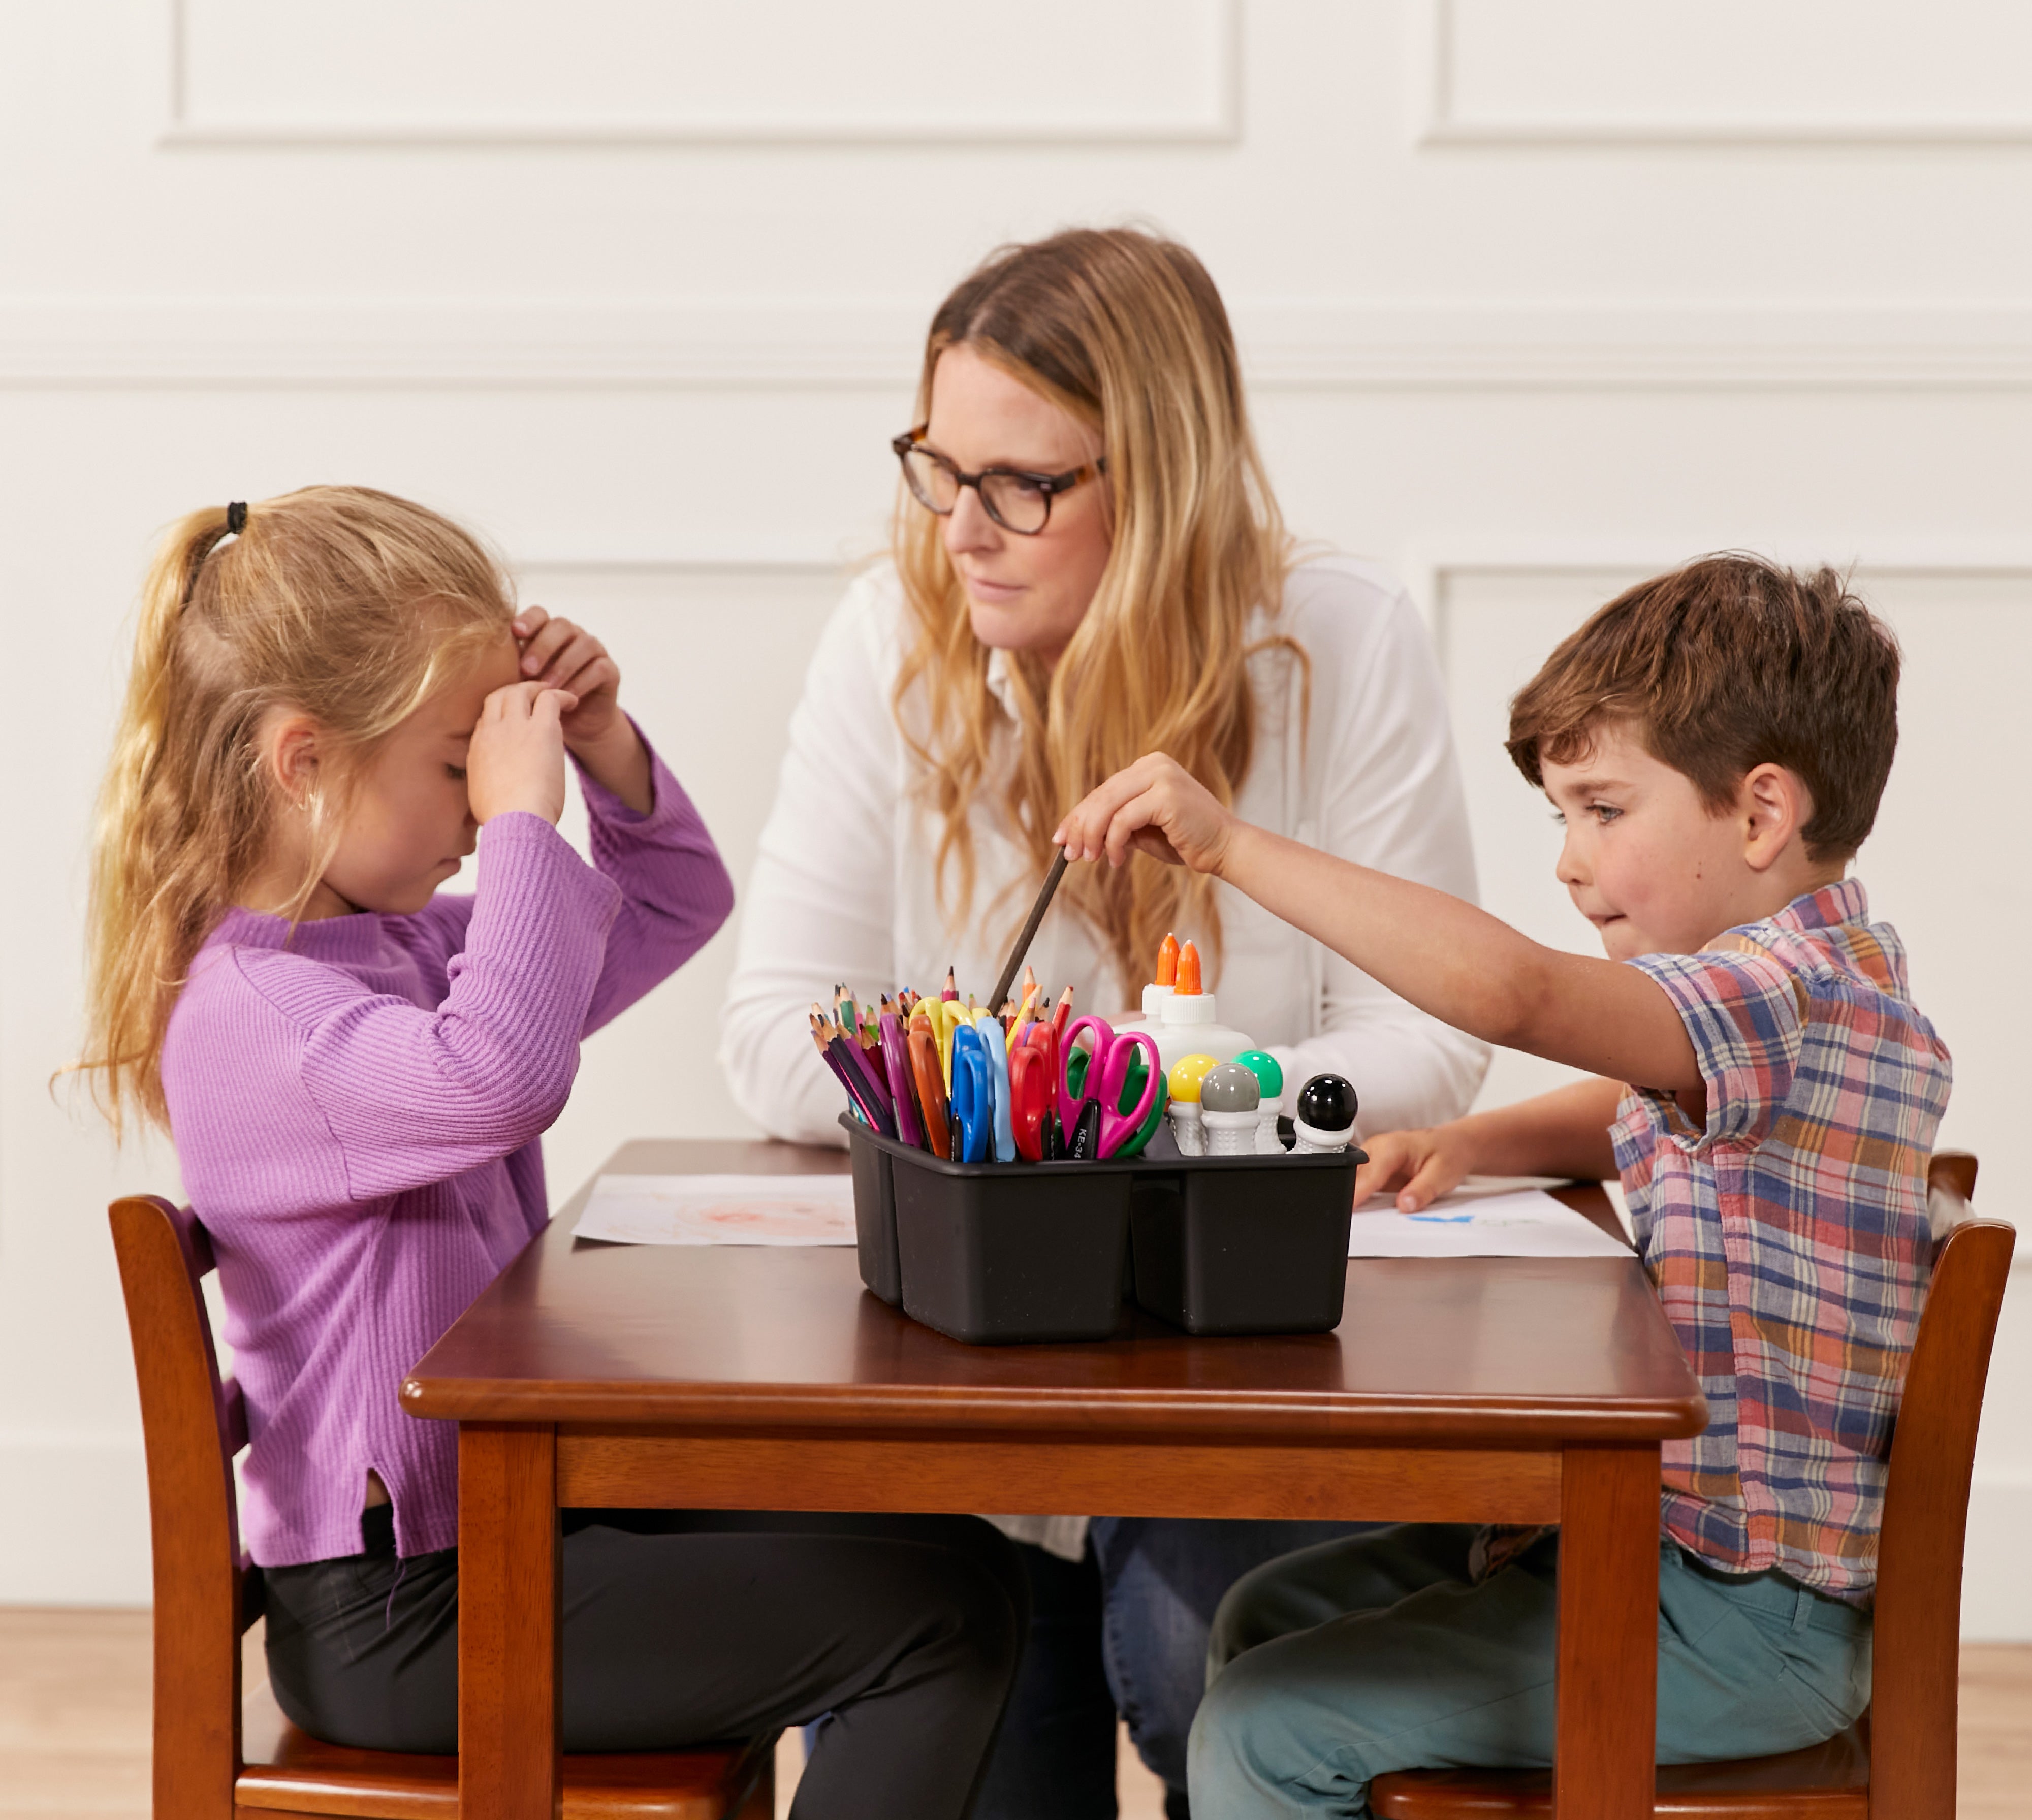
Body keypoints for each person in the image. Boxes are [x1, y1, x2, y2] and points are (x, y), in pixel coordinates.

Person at [78, 487, 1026, 1820]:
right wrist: (528, 824)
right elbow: (506, 1076)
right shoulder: (265, 1021)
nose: (482, 810)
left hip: (506, 1522)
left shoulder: (395, 950)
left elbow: (673, 902)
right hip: (402, 1616)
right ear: (304, 760)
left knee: (964, 1569)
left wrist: (600, 750)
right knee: (933, 1624)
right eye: (461, 764)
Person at [720, 229, 1489, 1816]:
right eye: (939, 468)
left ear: (1161, 478)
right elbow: (769, 1033)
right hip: (958, 1391)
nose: (960, 534)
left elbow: (1427, 1044)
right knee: (958, 1715)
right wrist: (1135, 1109)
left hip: (1235, 1372)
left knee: (1209, 1654)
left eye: (1021, 485)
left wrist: (1078, 1111)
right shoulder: (891, 639)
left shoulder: (1341, 637)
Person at [1052, 554, 1946, 1818]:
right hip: (1683, 1559)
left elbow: (1516, 992)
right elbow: (1628, 1107)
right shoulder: (1821, 979)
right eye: (1561, 819)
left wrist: (1233, 843)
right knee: (1265, 1609)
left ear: (1757, 816)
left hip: (1744, 1617)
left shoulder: (1776, 993)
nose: (1572, 865)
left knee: (1259, 1730)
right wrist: (1476, 1143)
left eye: (1602, 810)